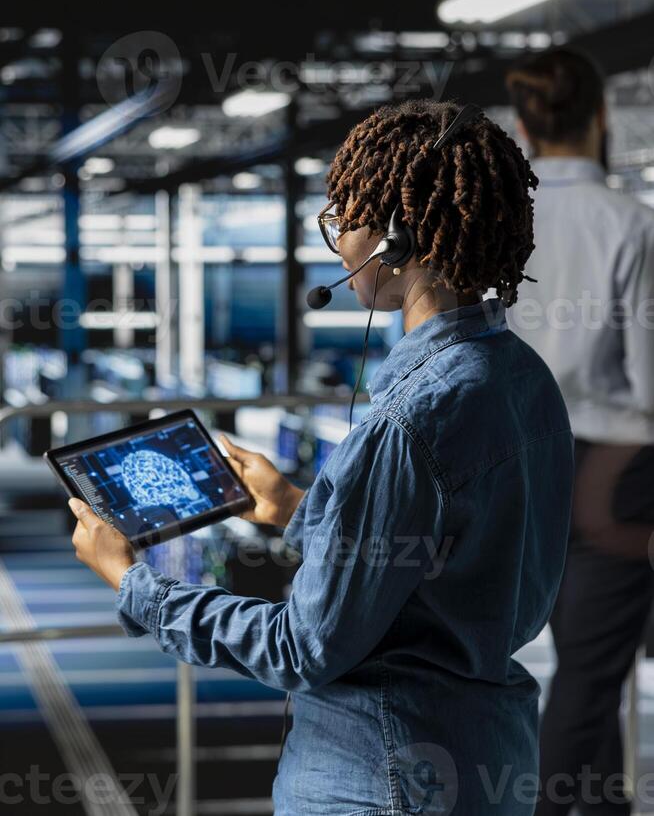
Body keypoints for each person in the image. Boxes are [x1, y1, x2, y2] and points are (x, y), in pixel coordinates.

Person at [69, 99, 574, 816]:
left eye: (345, 218)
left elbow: (302, 648)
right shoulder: (522, 380)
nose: (338, 243)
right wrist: (302, 513)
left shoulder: (408, 423)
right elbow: (445, 563)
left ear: (399, 237)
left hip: (382, 776)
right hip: (487, 755)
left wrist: (133, 583)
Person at [506, 47, 654, 815]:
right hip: (616, 471)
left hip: (524, 462)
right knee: (592, 679)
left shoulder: (503, 223)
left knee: (577, 659)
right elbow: (650, 384)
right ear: (602, 118)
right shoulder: (632, 224)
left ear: (524, 127)